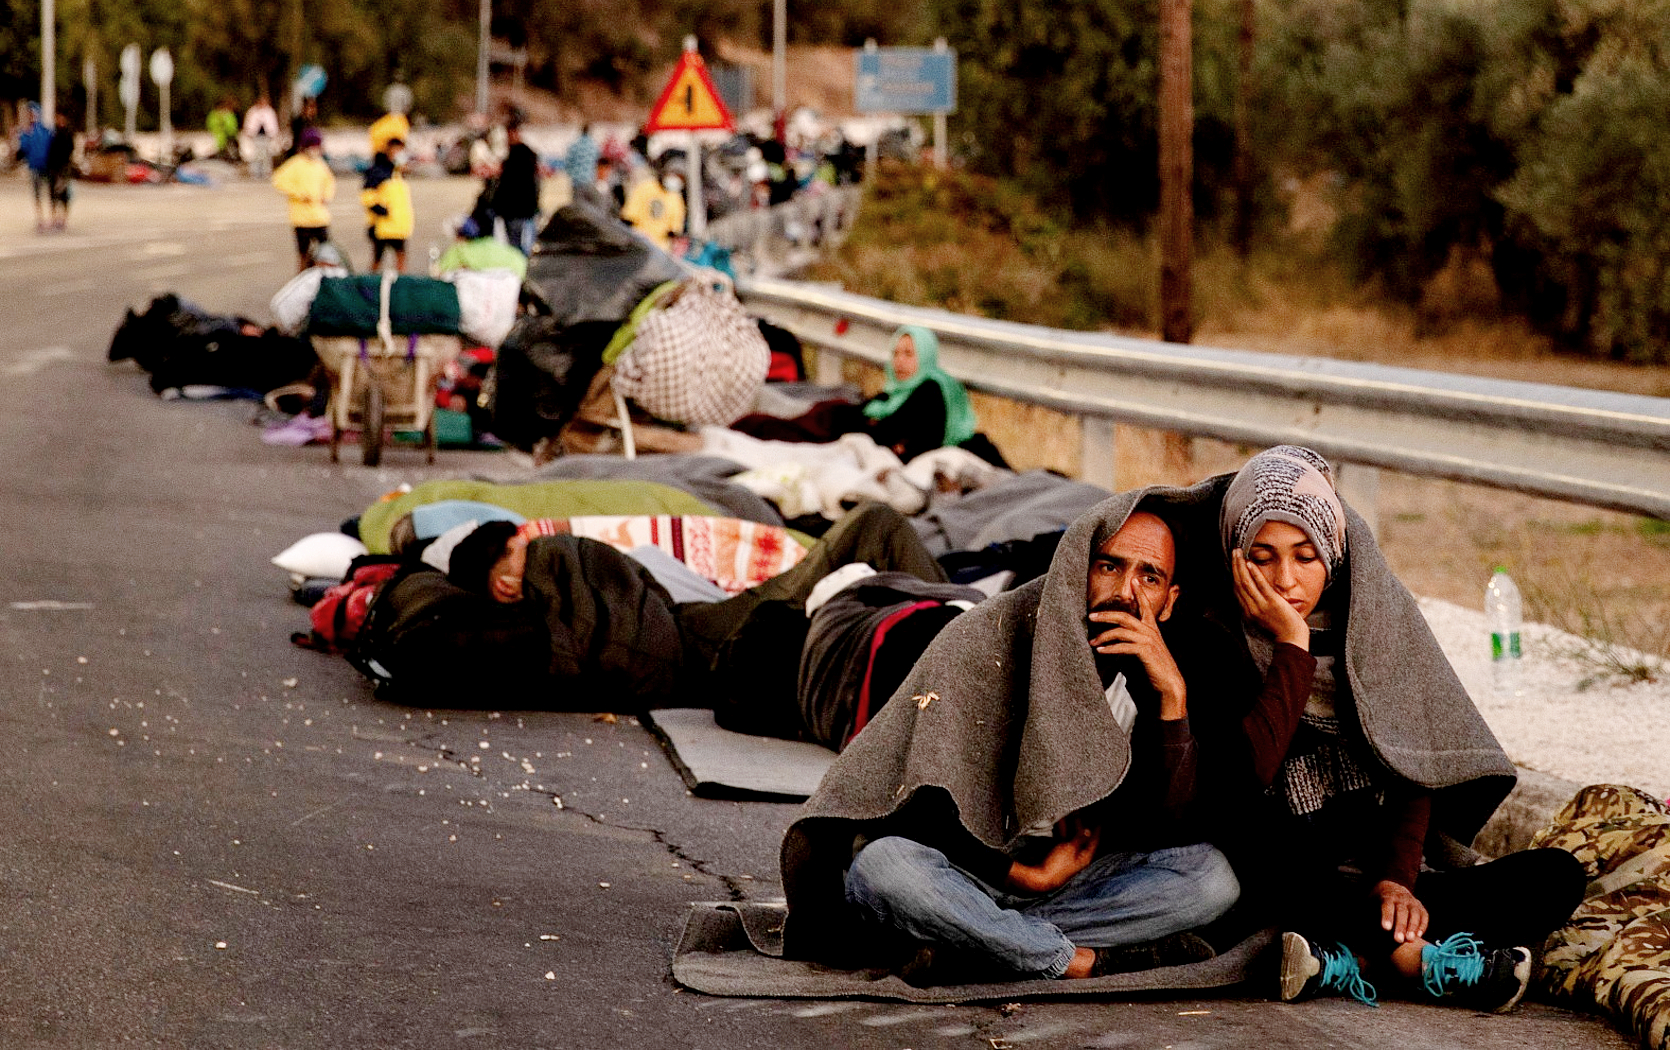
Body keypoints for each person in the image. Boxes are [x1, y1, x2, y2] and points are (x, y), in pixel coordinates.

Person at [778, 493, 1240, 983]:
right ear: (1076, 570)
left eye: (1150, 577)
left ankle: (974, 944)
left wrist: (1171, 700)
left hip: (1067, 892)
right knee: (885, 867)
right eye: (1109, 566)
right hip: (966, 873)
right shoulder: (989, 635)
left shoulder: (1170, 669)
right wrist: (1028, 875)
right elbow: (915, 806)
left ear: (1169, 600)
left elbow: (1169, 826)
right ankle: (1074, 960)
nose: (1126, 591)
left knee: (1211, 879)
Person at [1193, 445, 1586, 1011]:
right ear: (1234, 555)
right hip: (1292, 880)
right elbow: (1241, 778)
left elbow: (1413, 763)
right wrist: (1291, 647)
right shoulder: (1214, 642)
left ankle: (1353, 960)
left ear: (1334, 554)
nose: (1285, 580)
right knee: (1247, 848)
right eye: (1262, 556)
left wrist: (1397, 881)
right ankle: (1415, 961)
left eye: (1305, 557)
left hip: (1376, 883)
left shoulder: (1374, 624)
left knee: (1555, 875)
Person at [441, 503, 949, 708]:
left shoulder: (551, 599)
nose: (529, 544)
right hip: (712, 638)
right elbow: (640, 642)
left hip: (705, 621)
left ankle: (966, 631)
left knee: (872, 532)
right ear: (502, 583)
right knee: (874, 525)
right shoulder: (550, 572)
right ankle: (970, 637)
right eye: (512, 549)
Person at [272, 127, 336, 272]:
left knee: (326, 254)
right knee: (303, 254)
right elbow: (278, 180)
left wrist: (326, 196)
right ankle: (301, 279)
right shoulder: (295, 164)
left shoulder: (320, 164)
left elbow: (329, 181)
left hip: (320, 217)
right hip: (301, 218)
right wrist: (300, 194)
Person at [361, 137, 413, 272]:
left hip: (399, 226)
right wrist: (382, 211)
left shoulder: (398, 172)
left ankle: (400, 288)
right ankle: (370, 288)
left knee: (401, 258)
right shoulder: (378, 171)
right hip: (383, 226)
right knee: (377, 259)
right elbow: (367, 196)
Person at [491, 116, 541, 255]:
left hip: (518, 209)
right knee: (515, 245)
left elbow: (530, 183)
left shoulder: (523, 155)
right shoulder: (519, 155)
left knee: (518, 247)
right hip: (514, 209)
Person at [434, 210, 528, 279]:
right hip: (506, 297)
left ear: (460, 237)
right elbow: (522, 270)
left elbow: (438, 273)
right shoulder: (510, 253)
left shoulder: (459, 251)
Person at [618, 169, 685, 249]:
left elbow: (675, 229)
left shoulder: (676, 198)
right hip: (639, 242)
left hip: (660, 248)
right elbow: (628, 217)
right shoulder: (645, 187)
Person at [16, 102, 53, 233]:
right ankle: (40, 219)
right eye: (29, 114)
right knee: (37, 194)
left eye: (32, 113)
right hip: (34, 166)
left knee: (50, 193)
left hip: (47, 166)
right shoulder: (26, 132)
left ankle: (52, 217)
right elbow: (23, 150)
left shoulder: (45, 130)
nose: (31, 116)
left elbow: (52, 147)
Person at [44, 110, 76, 233]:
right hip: (53, 167)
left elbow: (70, 149)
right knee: (52, 193)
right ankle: (54, 218)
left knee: (64, 194)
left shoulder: (68, 133)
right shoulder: (53, 133)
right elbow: (50, 150)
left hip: (63, 167)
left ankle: (64, 219)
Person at [243, 94, 280, 179]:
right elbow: (249, 122)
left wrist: (274, 133)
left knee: (266, 154)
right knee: (256, 154)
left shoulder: (270, 111)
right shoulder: (252, 111)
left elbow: (273, 123)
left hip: (267, 136)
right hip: (256, 136)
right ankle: (255, 172)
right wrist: (248, 132)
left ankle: (266, 172)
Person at [564, 124, 599, 199]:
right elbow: (598, 163)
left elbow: (568, 163)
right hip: (590, 180)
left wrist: (571, 174)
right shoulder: (594, 146)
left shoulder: (574, 146)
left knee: (577, 206)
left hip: (576, 181)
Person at [207, 96, 241, 160]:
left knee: (231, 151)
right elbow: (212, 125)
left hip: (228, 137)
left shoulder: (228, 115)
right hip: (221, 138)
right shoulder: (216, 115)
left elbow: (232, 126)